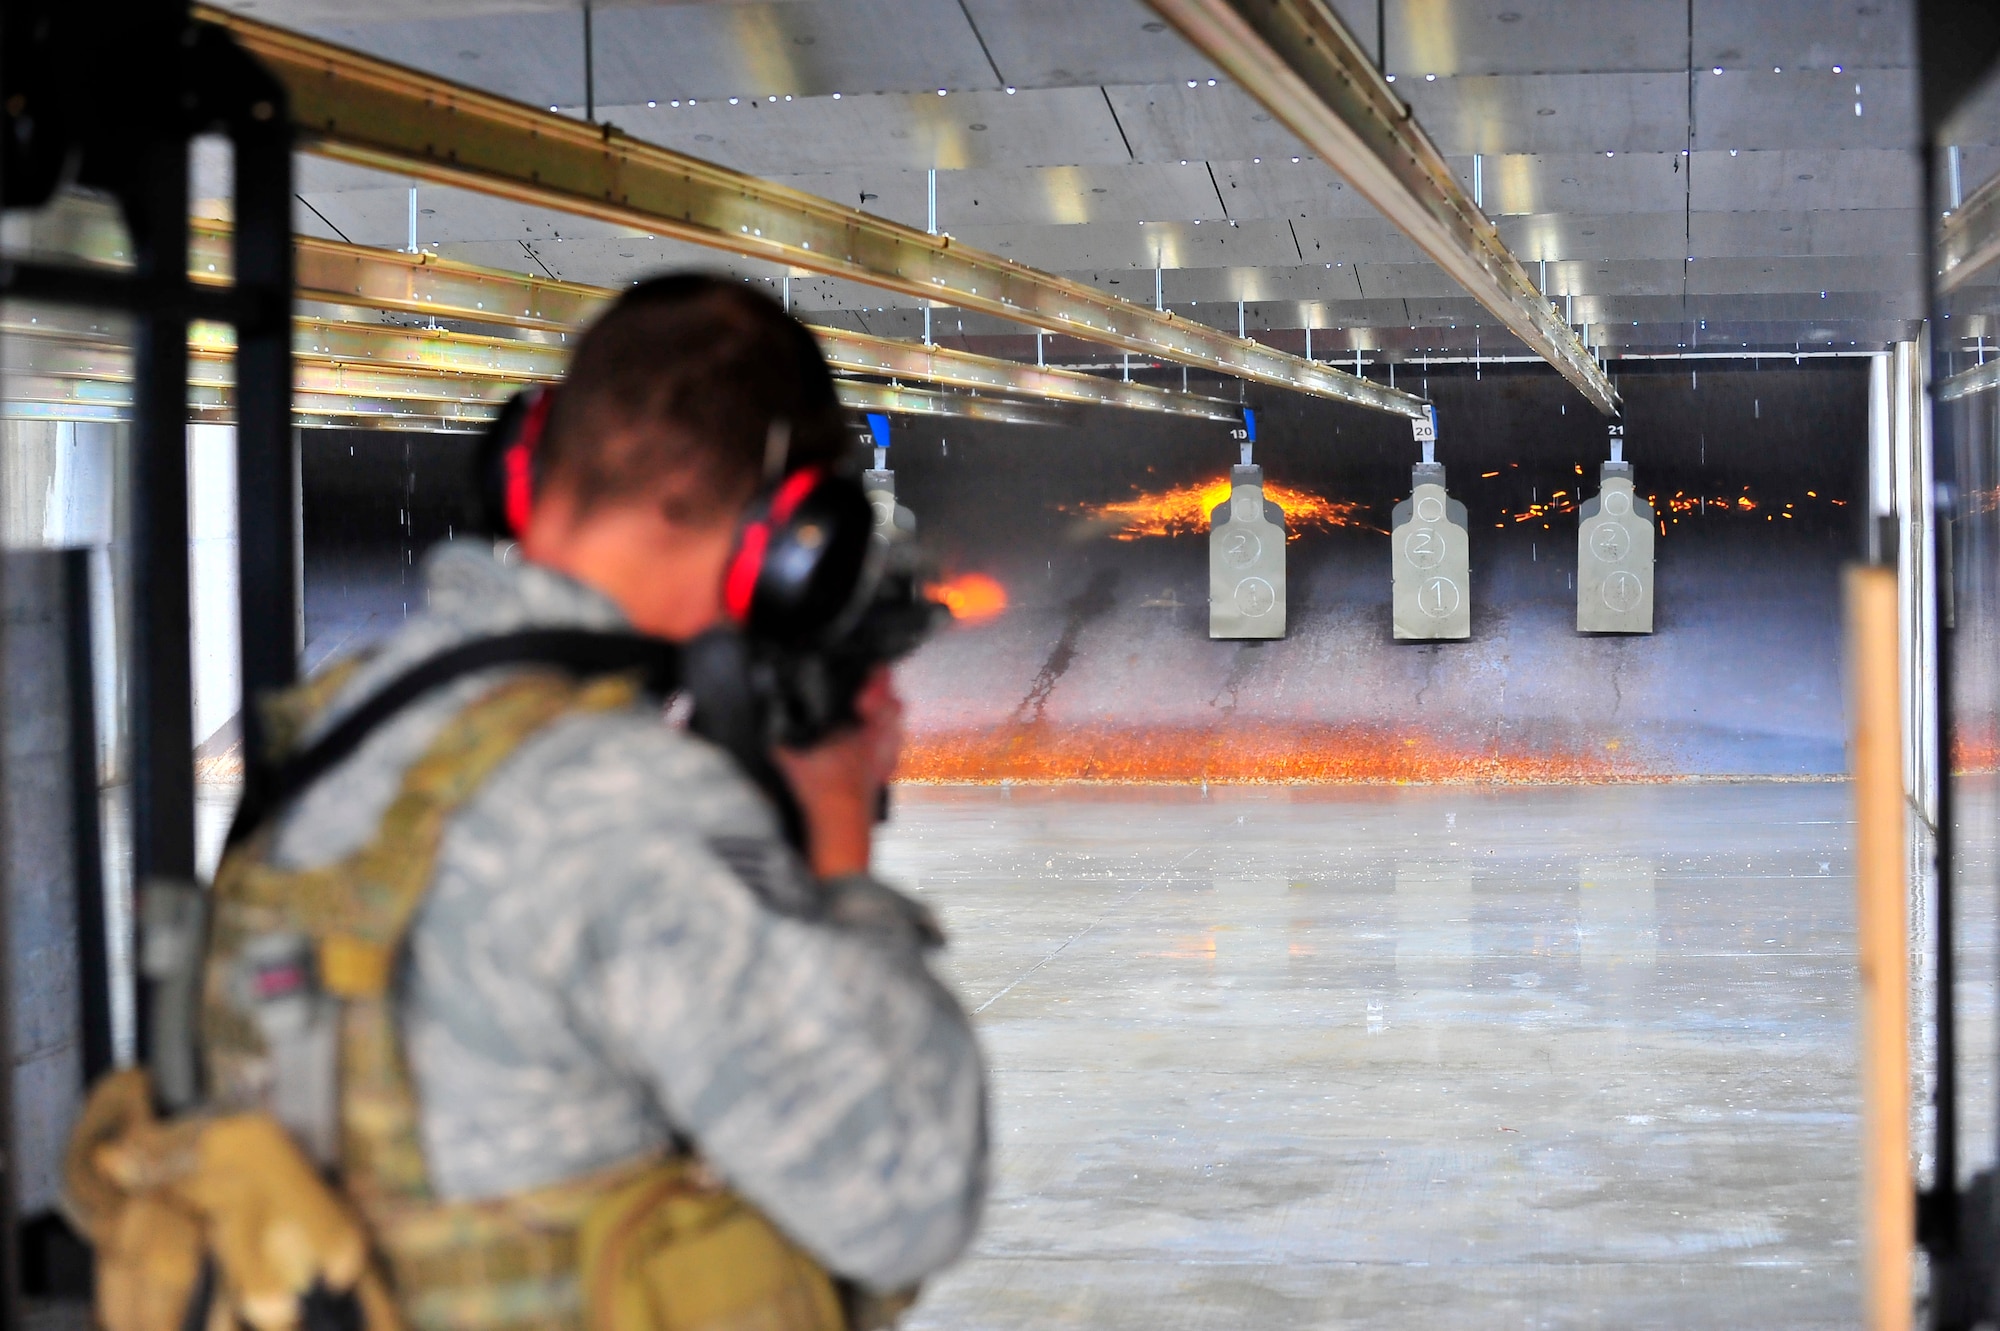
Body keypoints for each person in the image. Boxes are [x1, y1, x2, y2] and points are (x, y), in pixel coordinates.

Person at [68, 275, 988, 1331]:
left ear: (524, 472)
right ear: (788, 533)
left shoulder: (337, 724)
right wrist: (835, 845)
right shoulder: (624, 805)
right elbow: (909, 1198)